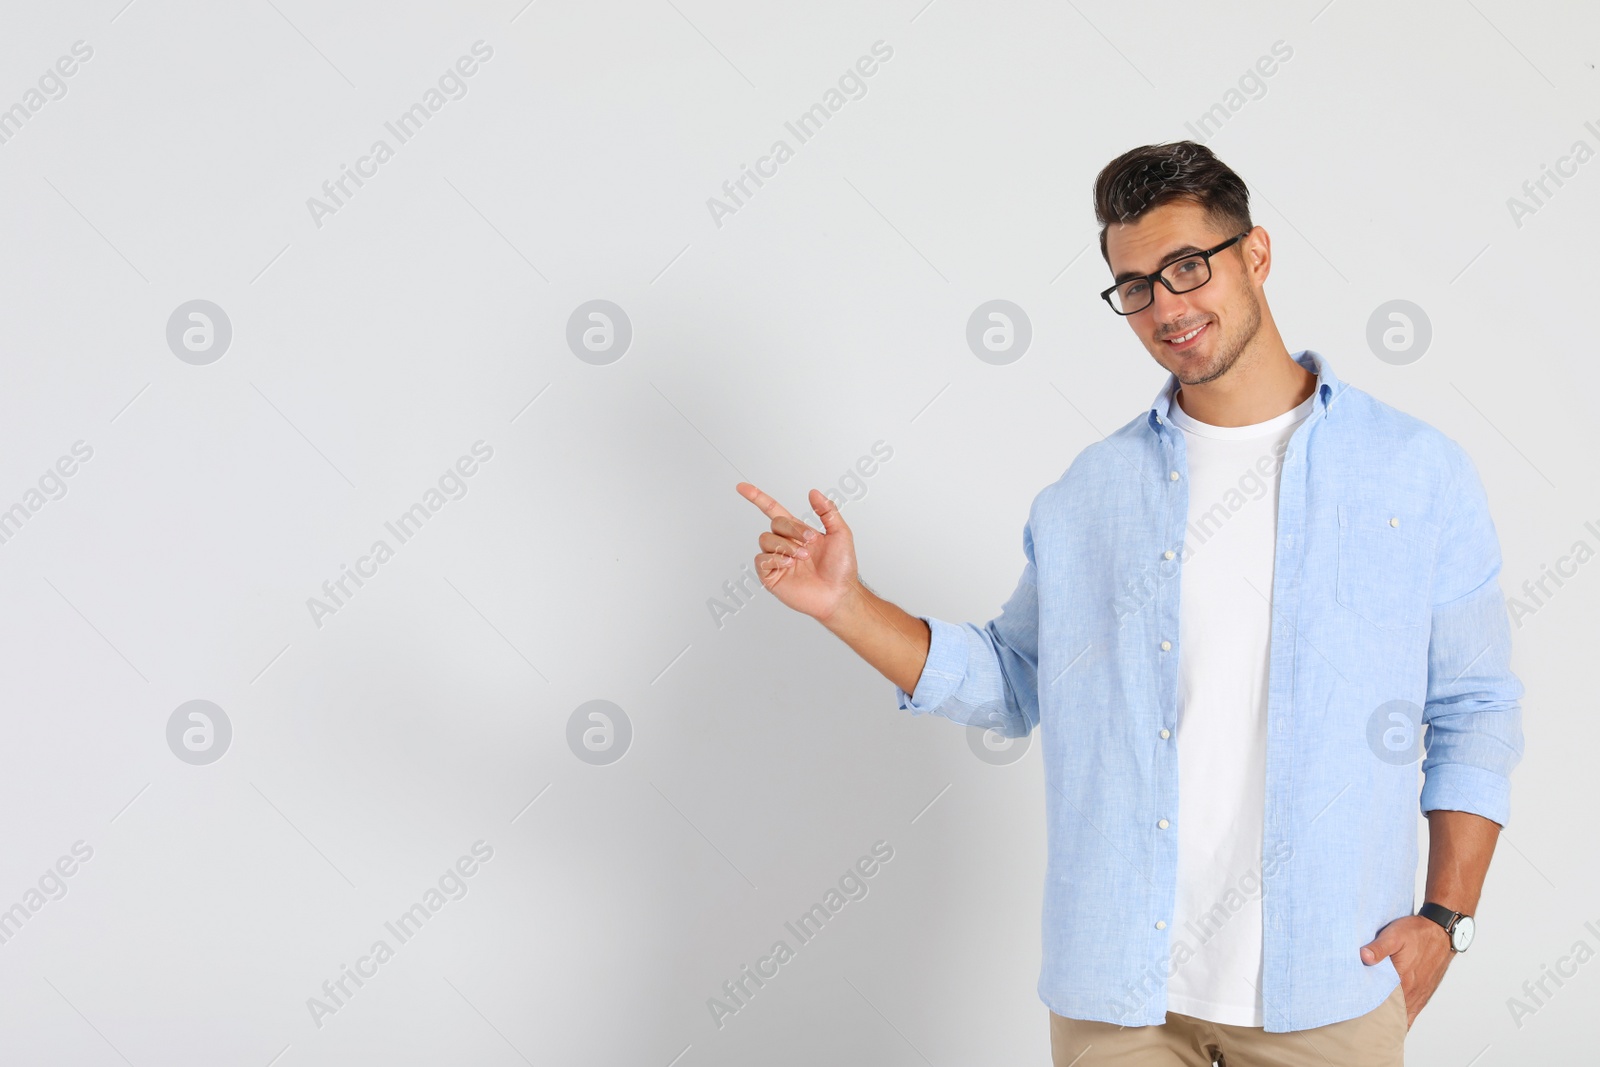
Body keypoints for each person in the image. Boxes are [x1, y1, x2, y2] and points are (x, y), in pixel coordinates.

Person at [734, 140, 1522, 1066]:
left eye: (1189, 266)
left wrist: (1446, 918)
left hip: (1332, 986)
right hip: (1121, 1002)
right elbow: (1015, 679)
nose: (1167, 306)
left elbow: (1476, 706)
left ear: (1256, 254)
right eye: (1136, 285)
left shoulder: (1415, 471)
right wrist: (846, 604)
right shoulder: (1089, 494)